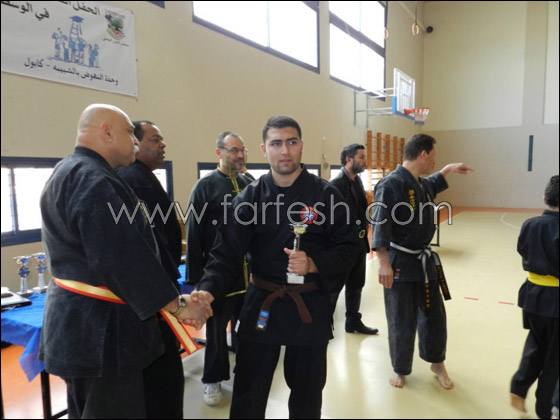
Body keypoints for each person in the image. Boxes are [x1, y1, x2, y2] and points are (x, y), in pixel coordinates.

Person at [39, 104, 212, 419]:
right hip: (102, 337)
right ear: (106, 132)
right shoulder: (92, 179)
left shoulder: (71, 171)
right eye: (130, 133)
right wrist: (178, 305)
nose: (135, 140)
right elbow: (121, 258)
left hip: (88, 331)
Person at [193, 115, 358, 418]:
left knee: (307, 393)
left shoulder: (325, 195)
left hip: (309, 303)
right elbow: (224, 255)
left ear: (301, 146)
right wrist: (206, 291)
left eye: (291, 142)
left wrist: (314, 263)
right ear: (264, 149)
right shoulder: (250, 198)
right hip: (262, 303)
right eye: (276, 143)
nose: (285, 150)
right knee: (248, 392)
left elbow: (350, 248)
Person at [371, 133, 473, 389]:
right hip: (399, 263)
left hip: (424, 263)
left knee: (434, 315)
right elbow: (380, 222)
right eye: (433, 156)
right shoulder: (391, 184)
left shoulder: (421, 183)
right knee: (401, 318)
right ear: (423, 154)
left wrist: (447, 169)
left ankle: (437, 362)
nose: (434, 161)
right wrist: (383, 262)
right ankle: (400, 368)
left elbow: (434, 183)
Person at [117, 120, 184, 418]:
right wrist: (169, 294)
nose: (162, 145)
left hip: (158, 289)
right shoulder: (132, 179)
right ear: (135, 142)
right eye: (155, 139)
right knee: (159, 380)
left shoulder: (144, 176)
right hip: (151, 299)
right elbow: (146, 245)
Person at [187, 131, 252, 406]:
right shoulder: (205, 187)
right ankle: (212, 380)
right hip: (218, 276)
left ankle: (246, 373)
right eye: (233, 150)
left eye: (242, 150)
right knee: (215, 333)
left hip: (248, 276)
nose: (239, 155)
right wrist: (198, 280)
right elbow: (194, 234)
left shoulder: (250, 184)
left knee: (247, 329)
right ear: (219, 153)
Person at [510, 175, 559, 418]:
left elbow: (522, 249)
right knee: (554, 359)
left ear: (544, 198)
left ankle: (518, 387)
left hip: (533, 297)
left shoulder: (530, 224)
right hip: (556, 301)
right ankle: (545, 409)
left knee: (536, 344)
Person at [330, 143, 378, 335]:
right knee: (334, 288)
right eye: (361, 157)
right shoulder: (336, 184)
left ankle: (353, 322)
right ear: (348, 160)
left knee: (356, 285)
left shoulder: (357, 181)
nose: (365, 161)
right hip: (342, 247)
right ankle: (324, 325)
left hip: (359, 243)